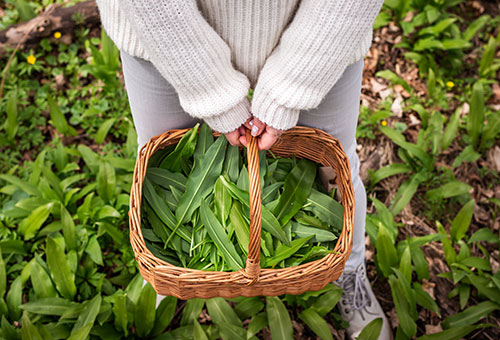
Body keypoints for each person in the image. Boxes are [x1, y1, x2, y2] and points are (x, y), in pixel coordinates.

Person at [96, 1, 390, 338]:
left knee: (334, 166)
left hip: (325, 35)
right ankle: (169, 270)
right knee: (161, 160)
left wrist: (295, 85)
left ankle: (348, 272)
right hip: (160, 34)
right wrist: (208, 89)